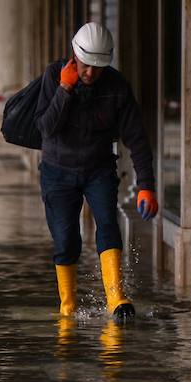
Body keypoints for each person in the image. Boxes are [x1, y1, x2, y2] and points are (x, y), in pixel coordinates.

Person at [35, 22, 158, 321]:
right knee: (66, 240)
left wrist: (146, 185)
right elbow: (45, 128)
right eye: (86, 65)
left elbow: (137, 138)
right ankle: (68, 306)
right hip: (57, 170)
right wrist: (65, 89)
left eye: (98, 67)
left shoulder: (117, 87)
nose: (90, 73)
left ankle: (116, 297)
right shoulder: (54, 76)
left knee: (107, 224)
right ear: (75, 57)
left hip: (98, 168)